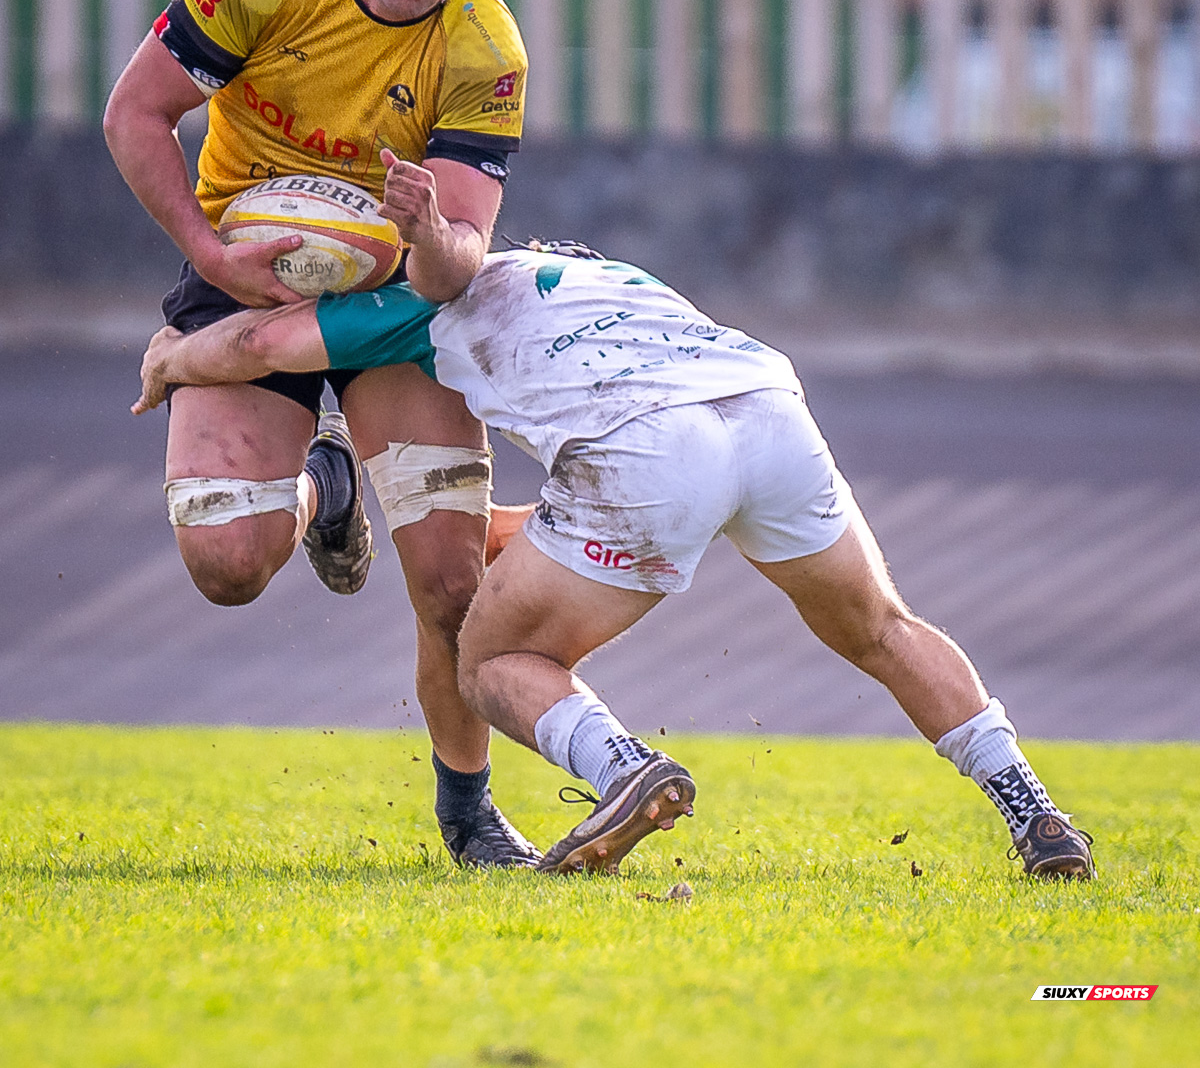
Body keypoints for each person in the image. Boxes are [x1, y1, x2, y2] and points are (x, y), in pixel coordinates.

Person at [132, 243, 1096, 881]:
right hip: (767, 415)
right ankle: (1037, 815)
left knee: (491, 660)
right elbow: (574, 520)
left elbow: (259, 341)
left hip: (649, 454)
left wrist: (172, 360)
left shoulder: (422, 299)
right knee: (883, 628)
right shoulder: (616, 278)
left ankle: (625, 768)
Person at [104, 0, 540, 868]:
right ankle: (326, 483)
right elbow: (134, 115)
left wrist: (427, 232)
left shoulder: (485, 47)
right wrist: (211, 254)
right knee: (227, 563)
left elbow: (456, 266)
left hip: (392, 305)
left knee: (450, 587)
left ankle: (469, 813)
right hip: (243, 268)